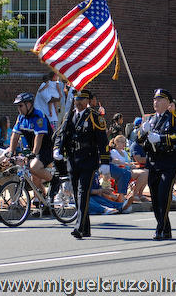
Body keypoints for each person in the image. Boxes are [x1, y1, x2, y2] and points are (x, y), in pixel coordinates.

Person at [53, 90, 110, 239]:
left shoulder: (94, 117)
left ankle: (78, 227)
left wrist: (104, 161)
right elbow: (61, 134)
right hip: (73, 158)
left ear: (88, 101)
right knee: (77, 194)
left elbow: (103, 141)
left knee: (83, 192)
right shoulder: (70, 115)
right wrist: (57, 149)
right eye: (76, 99)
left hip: (88, 158)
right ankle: (86, 228)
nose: (78, 102)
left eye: (82, 99)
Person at [137, 88, 176, 241]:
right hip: (153, 162)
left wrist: (160, 138)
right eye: (154, 99)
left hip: (169, 161)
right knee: (156, 198)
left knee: (164, 196)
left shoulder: (174, 119)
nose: (155, 102)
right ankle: (166, 229)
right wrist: (142, 132)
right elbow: (138, 140)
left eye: (159, 100)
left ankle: (160, 228)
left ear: (167, 103)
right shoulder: (149, 120)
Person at [8, 93, 60, 200]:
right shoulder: (21, 118)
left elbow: (39, 137)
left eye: (20, 106)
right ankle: (43, 202)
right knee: (34, 179)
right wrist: (11, 152)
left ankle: (55, 181)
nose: (19, 109)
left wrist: (34, 154)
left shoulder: (39, 116)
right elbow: (15, 135)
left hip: (46, 149)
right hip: (33, 149)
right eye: (18, 106)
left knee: (34, 167)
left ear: (29, 104)